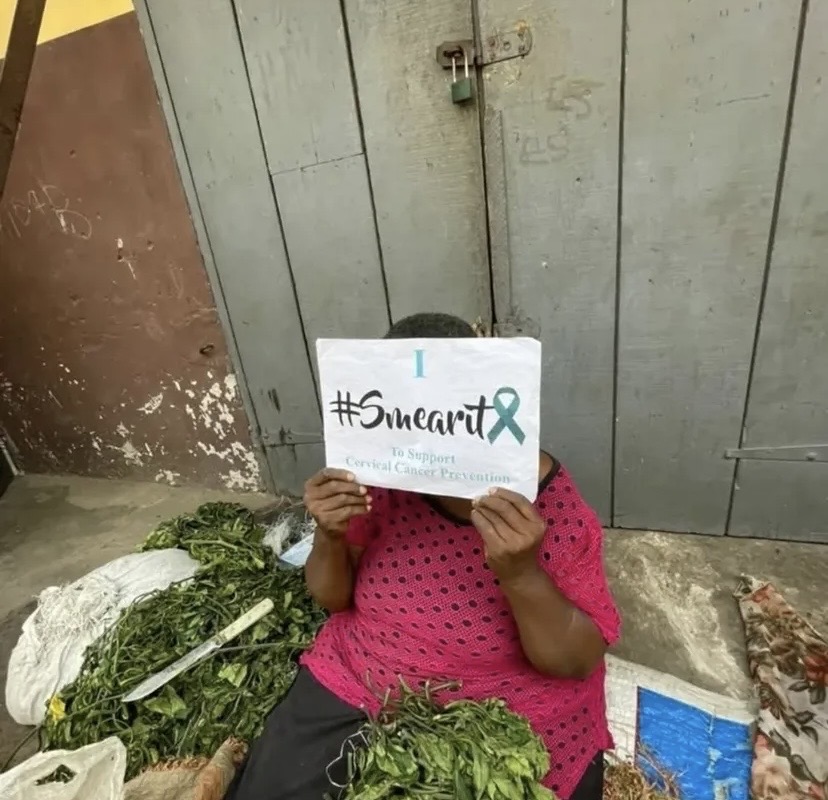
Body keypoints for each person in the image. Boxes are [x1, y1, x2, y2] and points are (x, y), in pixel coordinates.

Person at [228, 313, 620, 800]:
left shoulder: (550, 508)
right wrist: (329, 533)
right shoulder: (378, 475)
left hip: (503, 712)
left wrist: (521, 574)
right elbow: (333, 598)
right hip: (362, 680)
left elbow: (575, 663)